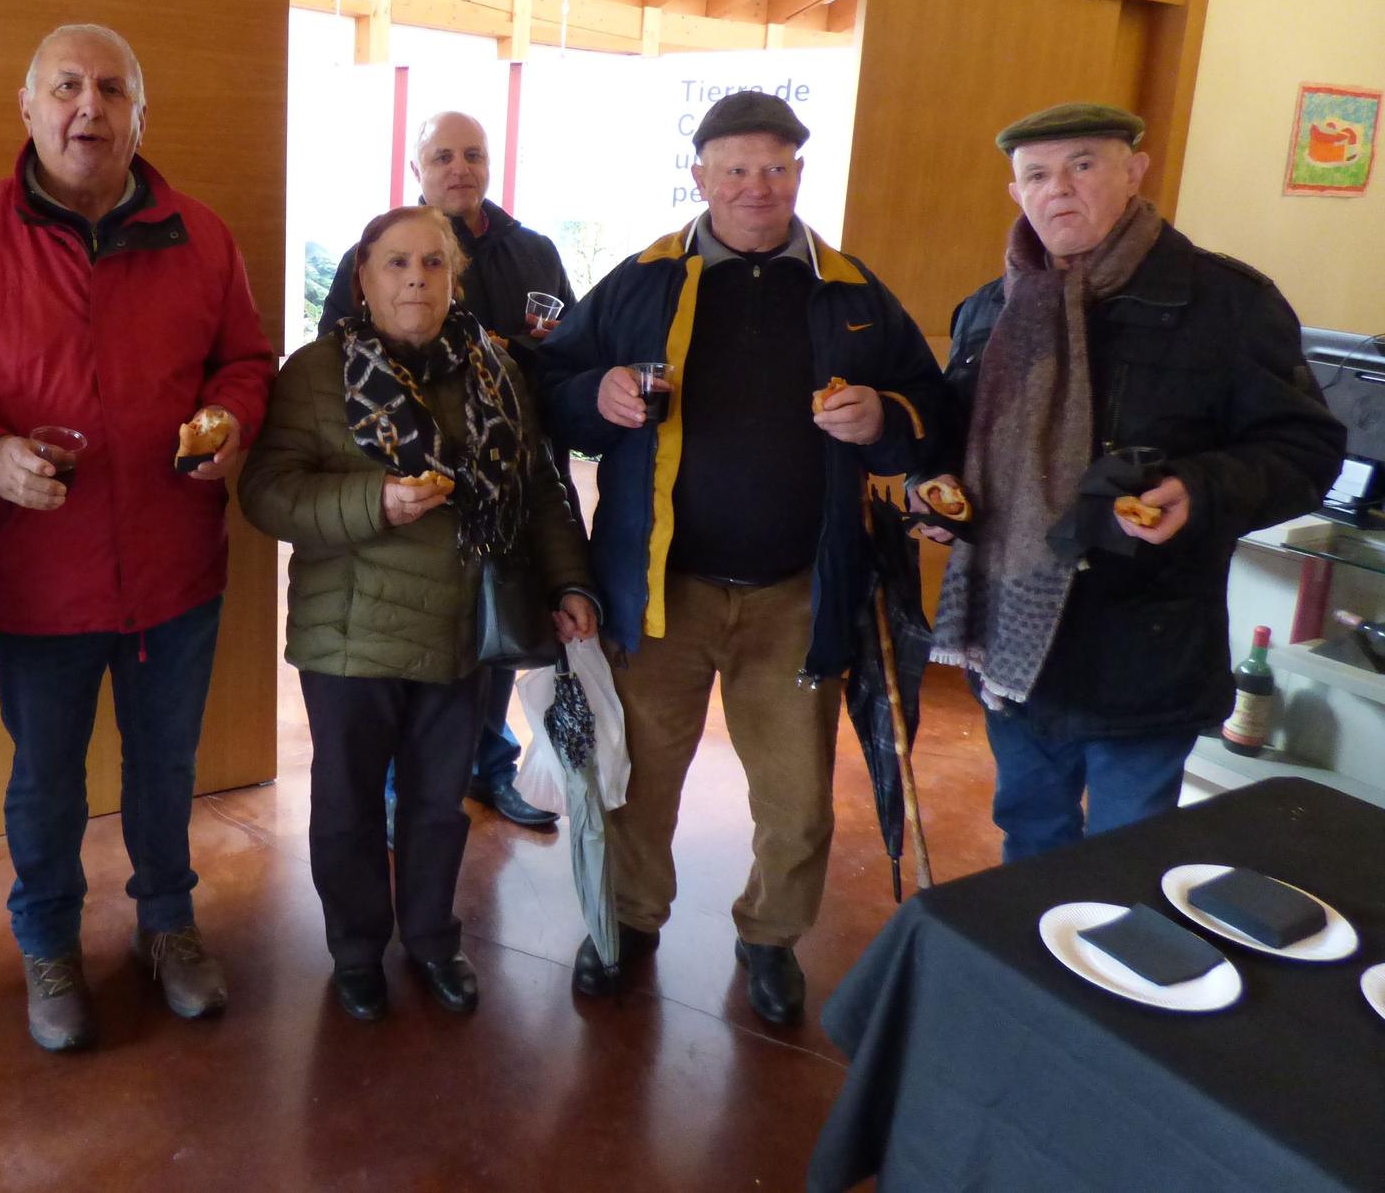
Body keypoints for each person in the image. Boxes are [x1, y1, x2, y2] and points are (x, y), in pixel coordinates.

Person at [0, 24, 273, 1053]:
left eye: (111, 90)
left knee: (165, 768)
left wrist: (229, 422)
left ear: (140, 114)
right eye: (66, 88)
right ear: (27, 105)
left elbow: (246, 362)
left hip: (177, 568)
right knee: (45, 778)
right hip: (40, 576)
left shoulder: (202, 236)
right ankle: (46, 943)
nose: (87, 107)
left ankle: (166, 926)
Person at [534, 90, 946, 1025]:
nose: (757, 187)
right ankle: (630, 921)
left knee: (798, 804)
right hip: (655, 593)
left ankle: (769, 938)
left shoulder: (848, 291)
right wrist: (593, 393)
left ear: (799, 174)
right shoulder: (642, 280)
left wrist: (885, 420)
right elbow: (546, 385)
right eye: (736, 169)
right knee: (636, 784)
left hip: (797, 593)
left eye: (775, 168)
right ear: (701, 178)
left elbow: (929, 410)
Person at [918, 102, 1343, 861]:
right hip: (1014, 642)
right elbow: (955, 448)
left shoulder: (1225, 304)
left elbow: (1307, 450)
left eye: (1082, 165)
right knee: (1030, 837)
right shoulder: (991, 310)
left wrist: (1201, 487)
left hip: (1145, 643)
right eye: (1037, 175)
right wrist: (936, 494)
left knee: (1128, 859)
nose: (1059, 190)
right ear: (1017, 194)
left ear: (1135, 170)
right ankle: (1034, 978)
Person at [241, 205, 595, 1022]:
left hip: (465, 627)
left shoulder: (495, 368)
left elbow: (540, 487)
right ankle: (356, 950)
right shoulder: (317, 371)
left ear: (454, 277)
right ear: (361, 279)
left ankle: (434, 939)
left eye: (433, 264)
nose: (415, 279)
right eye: (395, 263)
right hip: (351, 633)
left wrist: (569, 581)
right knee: (349, 804)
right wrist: (375, 501)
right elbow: (266, 492)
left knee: (441, 803)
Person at [319, 110, 577, 831]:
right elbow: (338, 353)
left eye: (472, 154)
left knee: (496, 631)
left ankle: (489, 768)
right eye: (441, 156)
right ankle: (409, 785)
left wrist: (523, 354)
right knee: (416, 649)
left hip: (505, 486)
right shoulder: (377, 248)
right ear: (417, 169)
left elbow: (571, 351)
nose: (458, 167)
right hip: (413, 490)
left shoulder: (534, 252)